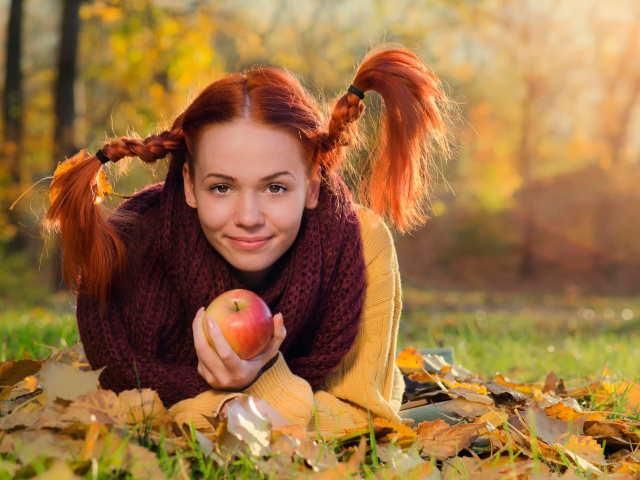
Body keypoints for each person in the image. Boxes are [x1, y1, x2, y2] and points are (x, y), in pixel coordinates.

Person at [44, 44, 452, 440]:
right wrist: (237, 408)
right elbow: (120, 408)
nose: (249, 217)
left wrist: (248, 386)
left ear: (312, 185)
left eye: (275, 188)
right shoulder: (130, 247)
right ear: (189, 186)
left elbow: (364, 419)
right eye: (221, 188)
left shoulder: (360, 244)